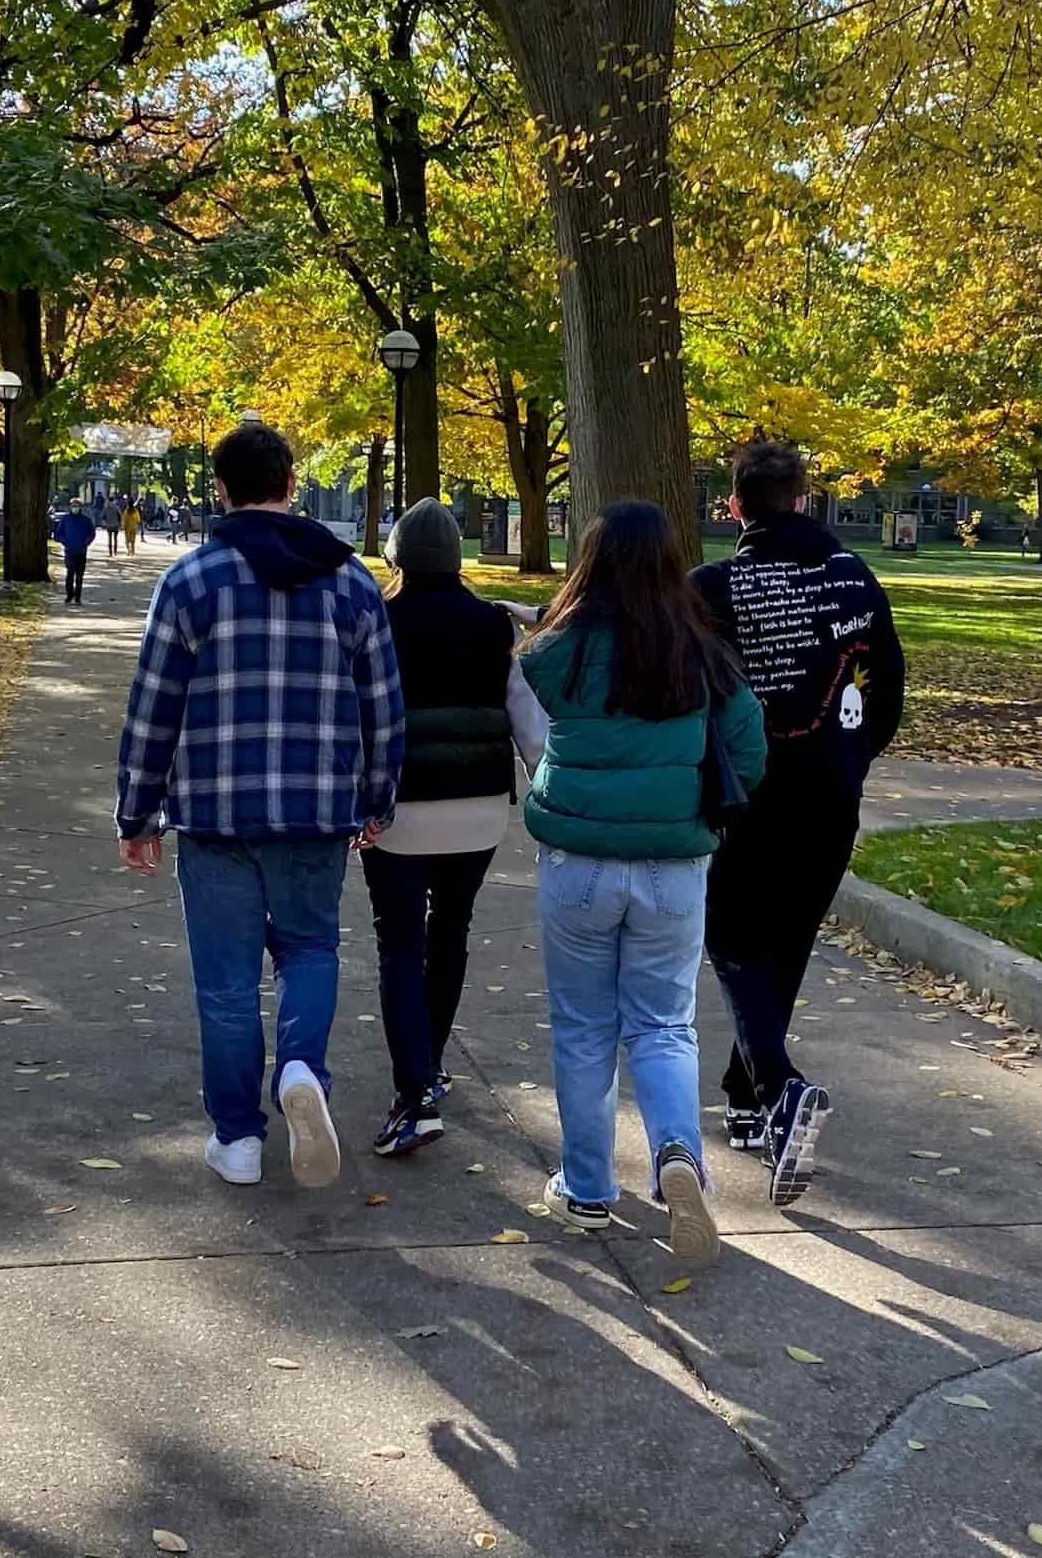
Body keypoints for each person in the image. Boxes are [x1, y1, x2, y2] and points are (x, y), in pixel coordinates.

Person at [116, 421, 403, 1191]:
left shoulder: (190, 581)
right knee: (311, 949)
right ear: (289, 483)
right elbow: (383, 705)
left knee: (226, 982)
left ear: (221, 489)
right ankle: (302, 1069)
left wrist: (137, 814)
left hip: (213, 814)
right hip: (315, 808)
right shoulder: (351, 584)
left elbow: (153, 708)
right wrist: (376, 799)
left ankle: (237, 1137)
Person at [517, 500, 767, 1267]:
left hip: (577, 862)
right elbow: (748, 752)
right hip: (673, 866)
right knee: (662, 1024)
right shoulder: (703, 654)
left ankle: (587, 1187)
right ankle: (676, 1156)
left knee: (584, 1027)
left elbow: (541, 700)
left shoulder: (553, 651)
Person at [693, 442, 906, 1206]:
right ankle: (745, 1094)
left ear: (737, 506)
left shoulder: (713, 587)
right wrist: (855, 755)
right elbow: (888, 676)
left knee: (728, 935)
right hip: (829, 791)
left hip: (745, 792)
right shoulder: (850, 574)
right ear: (802, 498)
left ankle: (777, 1088)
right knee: (785, 938)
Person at [359, 501, 549, 1158]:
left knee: (398, 944)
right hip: (478, 809)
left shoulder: (376, 623)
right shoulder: (490, 626)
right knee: (450, 934)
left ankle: (413, 1093)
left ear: (396, 557)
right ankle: (429, 1066)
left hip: (398, 810)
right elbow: (526, 718)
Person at [53, 497, 98, 605]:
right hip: (69, 551)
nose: (75, 508)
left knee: (79, 575)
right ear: (70, 507)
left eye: (77, 506)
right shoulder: (65, 519)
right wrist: (65, 542)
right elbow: (58, 533)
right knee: (70, 573)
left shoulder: (85, 520)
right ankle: (69, 595)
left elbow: (91, 533)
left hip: (81, 551)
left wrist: (85, 543)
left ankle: (77, 597)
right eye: (73, 506)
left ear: (80, 507)